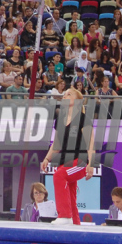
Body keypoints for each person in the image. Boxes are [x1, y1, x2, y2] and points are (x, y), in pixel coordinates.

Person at [41, 88, 95, 225]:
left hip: (80, 162)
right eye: (64, 94)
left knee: (59, 176)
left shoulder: (83, 119)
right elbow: (56, 145)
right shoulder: (60, 119)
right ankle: (76, 228)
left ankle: (64, 215)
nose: (65, 96)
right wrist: (47, 159)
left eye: (69, 94)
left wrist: (91, 164)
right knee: (70, 198)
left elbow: (90, 143)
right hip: (65, 162)